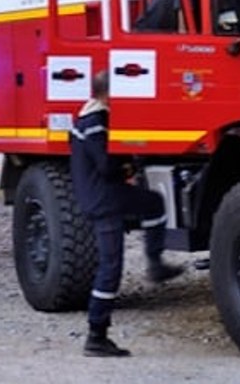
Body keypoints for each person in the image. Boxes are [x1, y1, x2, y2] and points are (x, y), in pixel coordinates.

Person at [70, 70, 184, 357]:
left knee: (153, 203)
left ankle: (155, 262)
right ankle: (96, 335)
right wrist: (130, 166)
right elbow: (107, 166)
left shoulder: (84, 119)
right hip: (105, 200)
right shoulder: (96, 122)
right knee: (110, 268)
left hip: (101, 198)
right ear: (107, 94)